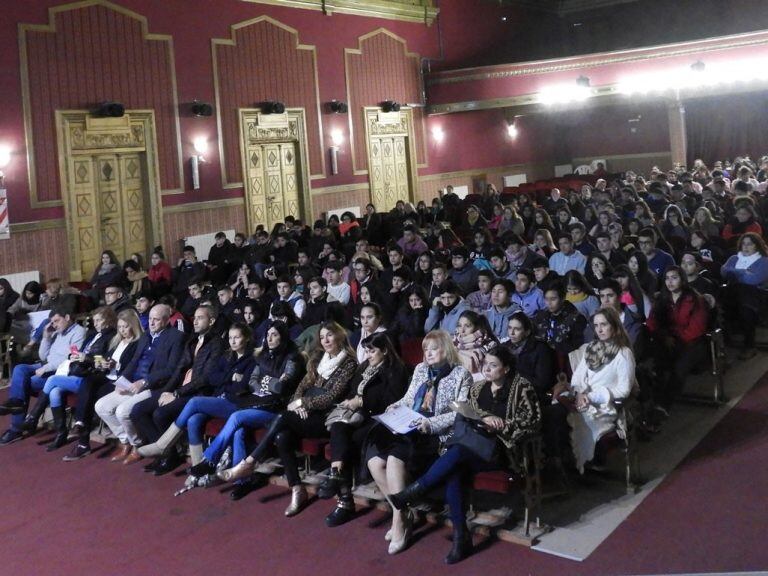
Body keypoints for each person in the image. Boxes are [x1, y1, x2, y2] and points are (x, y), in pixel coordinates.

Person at [388, 346, 540, 564]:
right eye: (485, 364)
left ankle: (412, 493)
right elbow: (466, 414)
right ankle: (461, 537)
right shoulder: (479, 388)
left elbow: (531, 423)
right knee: (455, 468)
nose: (487, 369)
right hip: (474, 446)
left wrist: (502, 425)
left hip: (504, 450)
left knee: (456, 454)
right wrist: (482, 418)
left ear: (506, 368)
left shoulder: (522, 388)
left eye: (493, 365)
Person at [217, 322, 357, 517]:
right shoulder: (318, 358)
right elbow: (302, 385)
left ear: (340, 337)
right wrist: (297, 403)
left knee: (282, 416)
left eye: (330, 336)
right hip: (305, 414)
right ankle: (297, 488)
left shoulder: (349, 362)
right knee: (282, 436)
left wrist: (302, 404)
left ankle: (249, 462)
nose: (325, 341)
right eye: (322, 337)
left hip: (327, 418)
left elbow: (331, 397)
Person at [364, 330, 472, 555]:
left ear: (446, 349)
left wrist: (430, 424)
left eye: (433, 349)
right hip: (410, 425)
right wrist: (395, 406)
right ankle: (402, 512)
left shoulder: (461, 374)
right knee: (374, 462)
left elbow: (458, 414)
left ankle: (399, 523)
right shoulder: (421, 370)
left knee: (394, 459)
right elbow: (409, 398)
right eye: (425, 349)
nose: (428, 354)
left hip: (435, 434)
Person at [187, 321, 306, 501]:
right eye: (268, 334)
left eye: (274, 334)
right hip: (257, 403)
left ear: (283, 336)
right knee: (238, 431)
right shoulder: (262, 355)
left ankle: (210, 460)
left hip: (277, 409)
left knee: (236, 417)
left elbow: (283, 386)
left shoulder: (293, 358)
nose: (270, 338)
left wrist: (266, 383)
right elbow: (252, 381)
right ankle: (242, 481)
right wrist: (268, 382)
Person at [318, 333, 409, 526]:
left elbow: (391, 400)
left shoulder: (396, 370)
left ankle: (344, 501)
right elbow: (352, 391)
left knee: (345, 443)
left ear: (384, 350)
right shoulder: (363, 368)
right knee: (338, 427)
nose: (368, 355)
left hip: (379, 420)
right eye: (366, 350)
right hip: (357, 416)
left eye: (372, 350)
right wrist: (349, 402)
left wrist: (361, 401)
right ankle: (337, 476)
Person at [137, 323, 256, 466]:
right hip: (218, 398)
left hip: (235, 403)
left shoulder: (252, 359)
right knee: (193, 420)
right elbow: (212, 378)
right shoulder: (227, 356)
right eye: (230, 337)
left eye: (237, 337)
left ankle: (164, 443)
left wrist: (224, 380)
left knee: (194, 402)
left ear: (247, 338)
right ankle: (197, 466)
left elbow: (241, 387)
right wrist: (230, 377)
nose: (233, 341)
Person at [129, 304, 225, 475]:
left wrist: (176, 394)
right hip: (180, 389)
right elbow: (179, 369)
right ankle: (164, 454)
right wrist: (166, 391)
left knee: (160, 413)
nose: (195, 321)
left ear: (211, 321)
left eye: (200, 318)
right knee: (137, 410)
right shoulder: (192, 340)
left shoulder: (217, 343)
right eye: (194, 318)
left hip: (198, 393)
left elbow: (204, 379)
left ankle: (169, 456)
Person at [93, 304, 186, 463]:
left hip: (153, 385)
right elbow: (134, 361)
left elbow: (171, 369)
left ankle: (138, 445)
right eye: (150, 319)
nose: (151, 322)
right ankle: (126, 441)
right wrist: (122, 381)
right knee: (101, 406)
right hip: (132, 383)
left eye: (156, 319)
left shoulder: (176, 336)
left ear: (166, 320)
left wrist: (144, 381)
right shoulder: (145, 336)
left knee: (123, 411)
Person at [24, 307, 117, 451]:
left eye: (99, 320)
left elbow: (104, 361)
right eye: (94, 320)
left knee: (52, 380)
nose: (96, 323)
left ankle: (33, 417)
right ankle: (61, 433)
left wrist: (86, 358)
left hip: (91, 376)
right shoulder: (92, 335)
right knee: (54, 392)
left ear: (109, 320)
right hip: (77, 371)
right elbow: (76, 353)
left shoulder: (111, 336)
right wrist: (73, 356)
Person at [62, 309, 143, 461]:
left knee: (89, 396)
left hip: (121, 381)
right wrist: (102, 363)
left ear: (133, 325)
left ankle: (84, 439)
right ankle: (81, 428)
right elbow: (104, 359)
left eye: (125, 327)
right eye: (120, 327)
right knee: (88, 383)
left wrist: (112, 365)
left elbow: (132, 366)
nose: (122, 330)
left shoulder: (137, 343)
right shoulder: (116, 341)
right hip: (107, 376)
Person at [0, 308, 87, 445]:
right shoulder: (57, 332)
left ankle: (16, 427)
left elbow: (69, 358)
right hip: (45, 365)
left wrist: (45, 367)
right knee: (19, 369)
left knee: (25, 382)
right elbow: (43, 356)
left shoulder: (79, 332)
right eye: (52, 322)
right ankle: (16, 403)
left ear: (68, 317)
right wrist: (46, 337)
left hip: (59, 371)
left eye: (57, 321)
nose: (55, 325)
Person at [563, 307, 636, 473]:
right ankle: (567, 463)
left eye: (604, 324)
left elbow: (624, 390)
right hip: (582, 400)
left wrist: (593, 396)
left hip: (605, 406)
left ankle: (585, 462)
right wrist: (580, 393)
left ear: (614, 326)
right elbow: (578, 377)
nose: (600, 329)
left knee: (581, 422)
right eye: (596, 325)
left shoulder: (623, 354)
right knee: (560, 414)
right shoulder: (591, 348)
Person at [646, 267, 708, 410]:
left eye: (674, 278)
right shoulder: (662, 299)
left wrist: (677, 340)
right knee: (656, 363)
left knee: (678, 369)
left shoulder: (694, 299)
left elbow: (697, 328)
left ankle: (663, 406)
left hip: (690, 342)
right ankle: (653, 400)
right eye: (667, 278)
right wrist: (664, 336)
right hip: (667, 340)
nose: (670, 282)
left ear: (683, 279)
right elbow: (652, 322)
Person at [720, 232, 768, 359]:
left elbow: (754, 280)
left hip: (755, 296)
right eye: (743, 244)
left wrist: (735, 273)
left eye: (750, 244)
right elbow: (723, 271)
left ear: (757, 246)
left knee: (746, 305)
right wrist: (743, 272)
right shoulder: (734, 258)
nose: (745, 247)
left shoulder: (763, 261)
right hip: (734, 293)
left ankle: (749, 346)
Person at [453, 311, 498, 380]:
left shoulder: (490, 344)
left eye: (467, 326)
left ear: (477, 327)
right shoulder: (455, 342)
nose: (462, 330)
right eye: (459, 325)